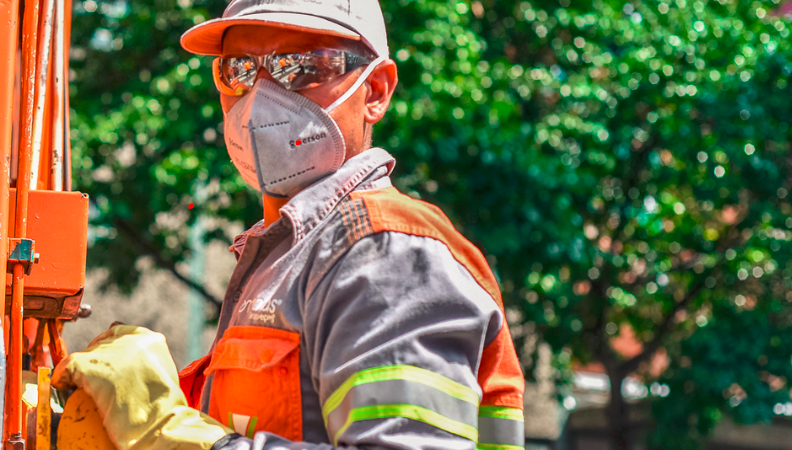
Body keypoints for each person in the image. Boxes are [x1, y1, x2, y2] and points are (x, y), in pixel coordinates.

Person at [54, 0, 526, 448]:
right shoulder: (290, 255)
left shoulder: (386, 251)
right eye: (238, 69)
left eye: (299, 66)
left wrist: (174, 435)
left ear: (376, 90)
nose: (260, 96)